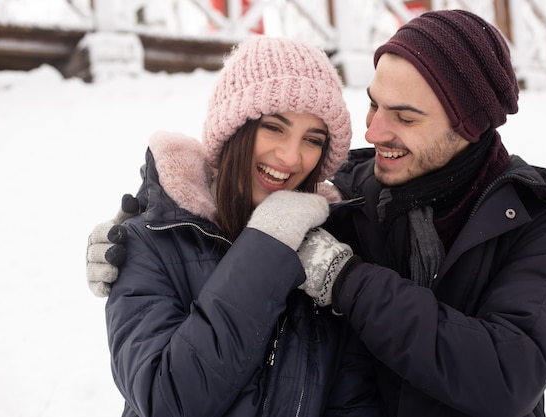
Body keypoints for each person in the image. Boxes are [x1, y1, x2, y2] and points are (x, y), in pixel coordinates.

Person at [88, 9, 546, 417]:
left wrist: (346, 279)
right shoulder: (346, 200)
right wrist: (152, 217)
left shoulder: (538, 226)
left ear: (469, 127)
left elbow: (506, 377)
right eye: (372, 105)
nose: (375, 132)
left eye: (405, 117)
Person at [88, 36, 381, 417]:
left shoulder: (328, 255)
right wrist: (268, 244)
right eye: (275, 127)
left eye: (312, 139)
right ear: (233, 130)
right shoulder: (150, 242)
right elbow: (169, 401)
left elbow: (353, 400)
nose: (291, 156)